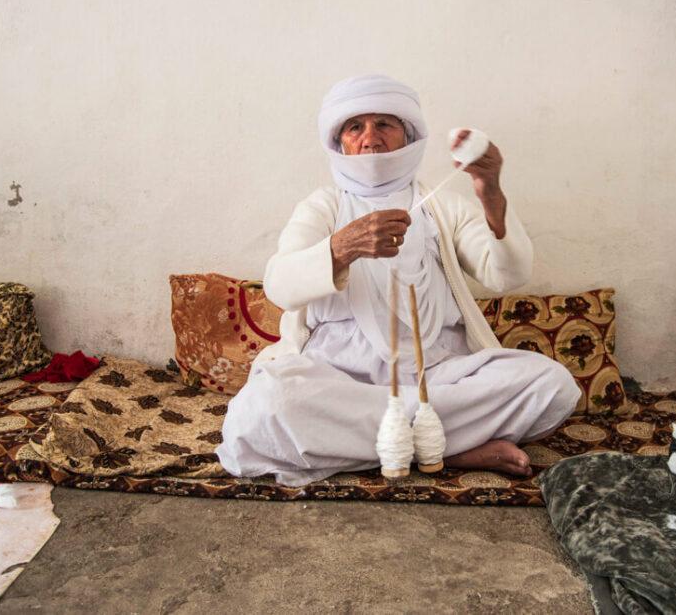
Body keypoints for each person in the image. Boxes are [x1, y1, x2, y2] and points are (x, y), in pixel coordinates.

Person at [216, 74, 579, 486]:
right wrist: (342, 247)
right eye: (356, 127)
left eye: (384, 124)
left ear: (408, 138)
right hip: (339, 377)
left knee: (553, 387)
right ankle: (446, 446)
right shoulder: (323, 206)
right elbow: (280, 286)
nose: (370, 138)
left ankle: (399, 439)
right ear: (340, 143)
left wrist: (489, 189)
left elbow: (507, 275)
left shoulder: (442, 206)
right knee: (268, 405)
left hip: (438, 374)